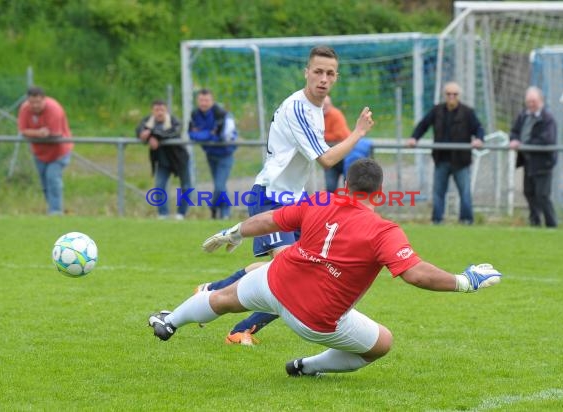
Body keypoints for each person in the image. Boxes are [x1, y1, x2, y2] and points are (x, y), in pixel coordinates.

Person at [148, 158, 502, 377]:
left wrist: (232, 232)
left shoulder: (319, 200)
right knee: (381, 344)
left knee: (224, 297)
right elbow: (415, 272)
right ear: (379, 193)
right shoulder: (383, 230)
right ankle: (306, 366)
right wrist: (465, 281)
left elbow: (270, 219)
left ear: (345, 184)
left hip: (275, 284)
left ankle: (170, 321)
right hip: (314, 320)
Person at [193, 46, 376, 345]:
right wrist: (357, 133)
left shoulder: (315, 109)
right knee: (292, 277)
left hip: (295, 199)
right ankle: (240, 328)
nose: (323, 79)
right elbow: (327, 160)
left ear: (336, 78)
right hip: (272, 196)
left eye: (330, 73)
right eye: (318, 71)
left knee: (301, 269)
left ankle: (212, 292)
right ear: (306, 72)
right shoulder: (298, 108)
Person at [407, 82, 484, 225]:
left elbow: (478, 128)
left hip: (461, 161)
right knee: (438, 193)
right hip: (441, 159)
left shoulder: (467, 112)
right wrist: (414, 138)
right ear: (444, 95)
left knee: (465, 193)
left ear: (459, 96)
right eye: (448, 94)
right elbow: (423, 125)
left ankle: (466, 220)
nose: (451, 97)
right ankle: (437, 220)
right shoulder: (437, 111)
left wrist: (479, 139)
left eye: (454, 94)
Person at [17, 86, 73, 215]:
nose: (35, 106)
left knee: (52, 179)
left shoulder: (54, 109)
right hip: (39, 153)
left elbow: (54, 135)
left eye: (38, 102)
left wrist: (33, 133)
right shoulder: (25, 109)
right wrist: (39, 133)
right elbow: (22, 131)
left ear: (44, 100)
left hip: (59, 152)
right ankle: (52, 210)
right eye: (32, 102)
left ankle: (56, 212)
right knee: (44, 184)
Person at [509, 86, 557, 228]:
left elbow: (547, 139)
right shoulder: (523, 116)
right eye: (528, 101)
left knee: (542, 195)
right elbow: (514, 131)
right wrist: (514, 140)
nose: (531, 104)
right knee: (529, 192)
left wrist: (525, 144)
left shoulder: (548, 119)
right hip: (528, 162)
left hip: (543, 163)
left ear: (540, 101)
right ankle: (534, 222)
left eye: (533, 101)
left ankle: (551, 224)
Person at [188, 89, 238, 220]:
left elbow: (222, 137)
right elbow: (192, 134)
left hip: (225, 154)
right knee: (219, 185)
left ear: (212, 101)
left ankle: (219, 209)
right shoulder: (195, 114)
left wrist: (204, 135)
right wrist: (209, 134)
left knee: (219, 185)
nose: (203, 103)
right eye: (201, 100)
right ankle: (221, 212)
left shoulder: (221, 114)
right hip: (210, 154)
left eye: (207, 100)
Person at [136, 99, 190, 220]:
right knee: (159, 187)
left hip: (180, 160)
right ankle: (163, 214)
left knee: (186, 187)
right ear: (152, 111)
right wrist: (147, 136)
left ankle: (181, 214)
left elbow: (172, 132)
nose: (159, 112)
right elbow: (139, 130)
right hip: (162, 161)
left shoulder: (174, 120)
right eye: (156, 110)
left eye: (162, 110)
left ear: (166, 110)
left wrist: (152, 135)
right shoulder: (148, 122)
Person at [322, 96, 351, 192]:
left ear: (330, 105)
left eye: (326, 105)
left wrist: (321, 136)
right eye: (322, 105)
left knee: (349, 186)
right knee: (330, 188)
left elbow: (340, 135)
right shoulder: (317, 116)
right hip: (330, 157)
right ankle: (332, 206)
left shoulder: (335, 114)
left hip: (346, 156)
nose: (323, 107)